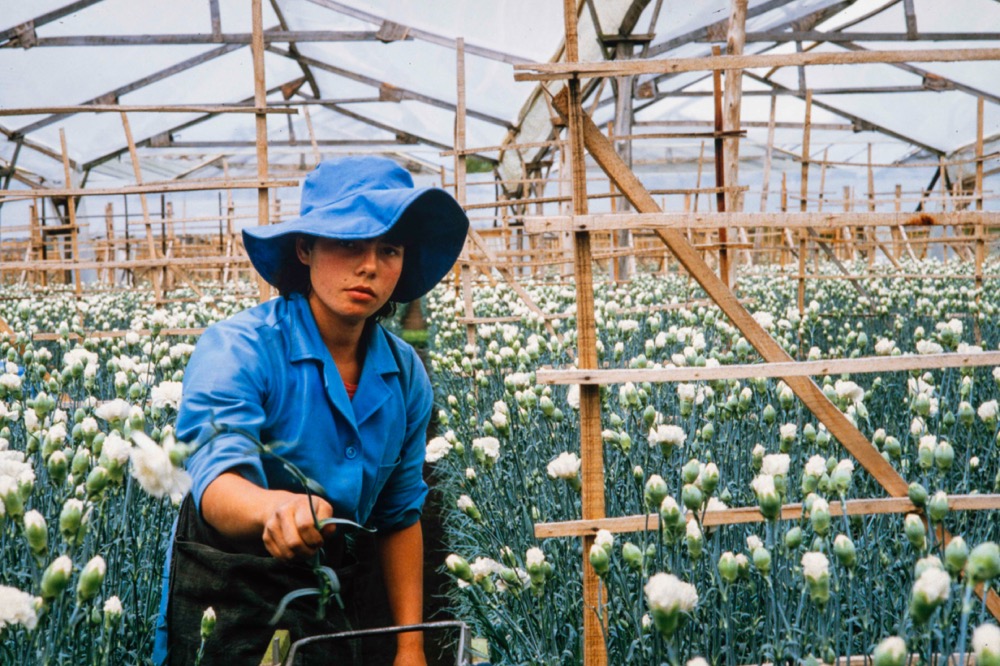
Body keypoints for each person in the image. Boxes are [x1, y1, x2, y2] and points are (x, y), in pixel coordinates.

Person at [152, 156, 469, 665]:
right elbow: (215, 481)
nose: (370, 265)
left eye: (389, 249)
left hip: (335, 588)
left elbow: (399, 513)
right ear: (305, 248)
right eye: (349, 244)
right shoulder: (239, 349)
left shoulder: (405, 373)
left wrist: (410, 646)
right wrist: (272, 508)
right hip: (230, 591)